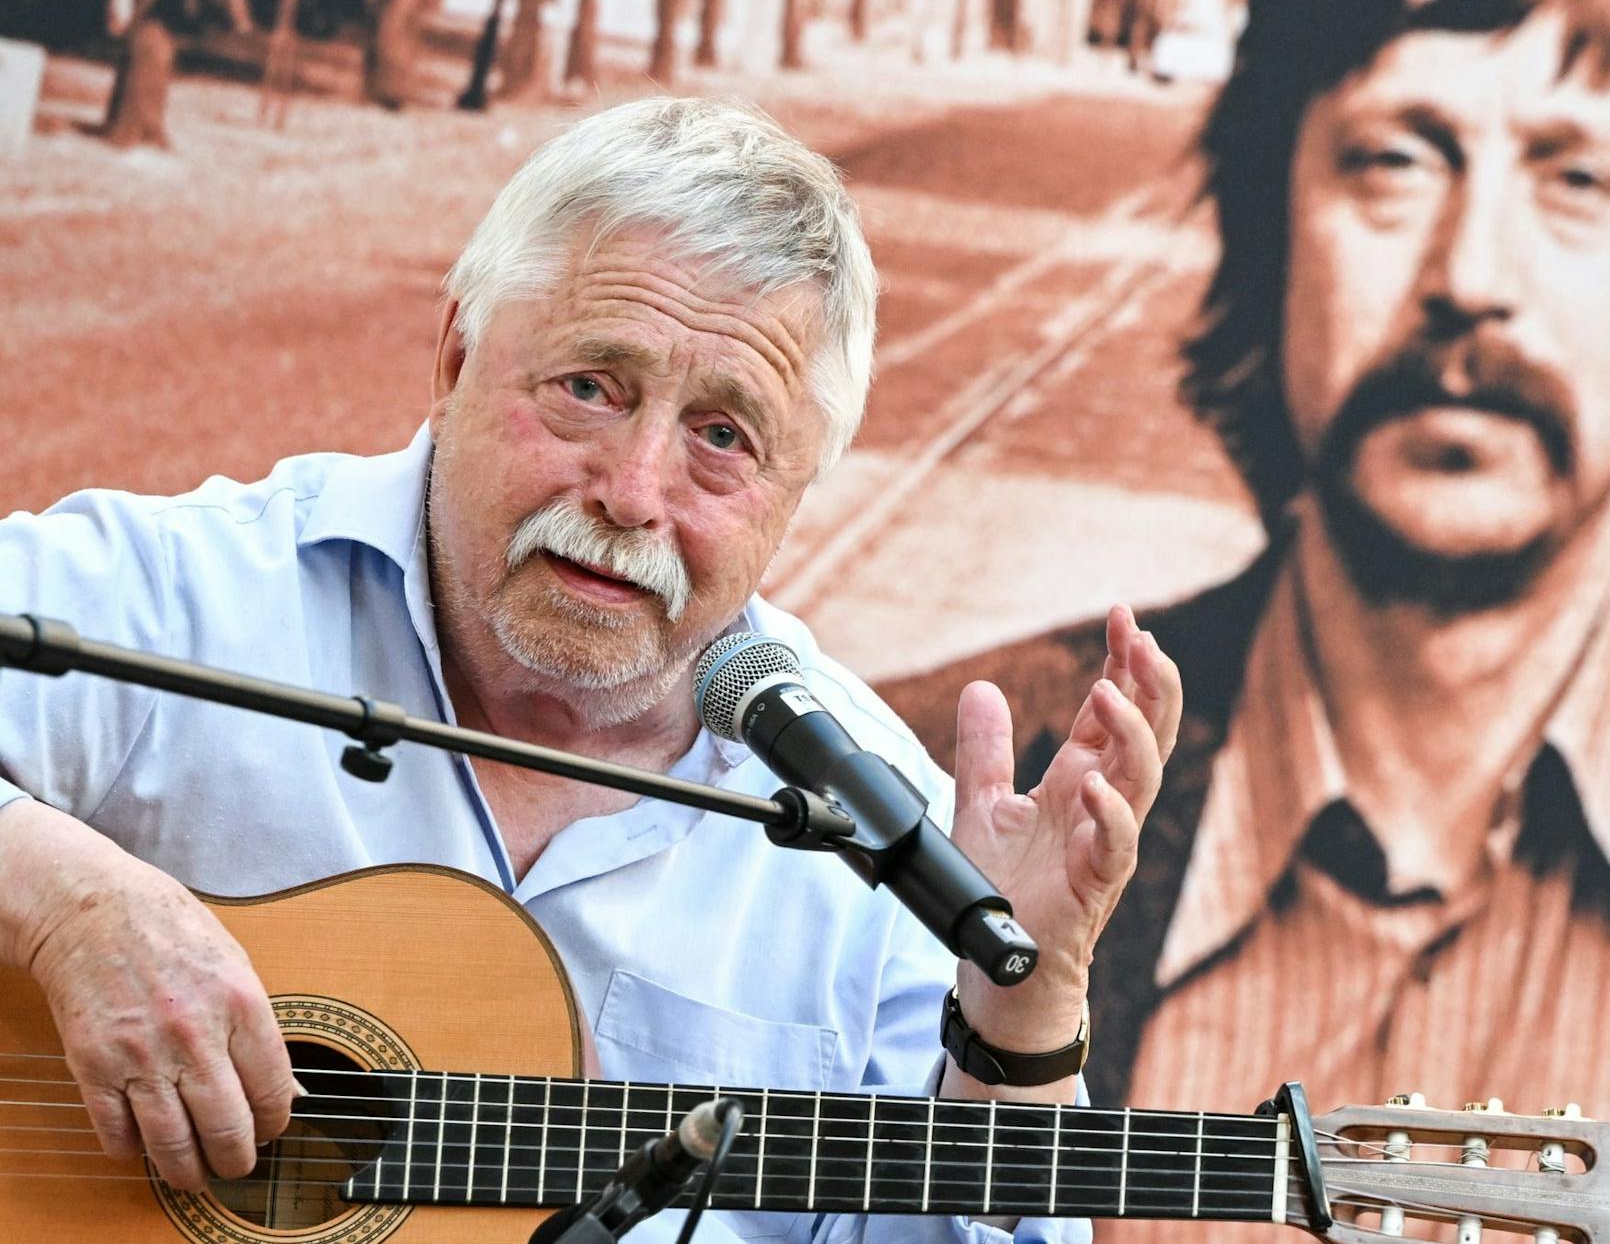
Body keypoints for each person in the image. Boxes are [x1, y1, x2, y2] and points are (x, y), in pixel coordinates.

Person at [0, 96, 1183, 1243]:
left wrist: (1017, 1027)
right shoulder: (187, 597)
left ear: (797, 489)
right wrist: (67, 902)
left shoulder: (889, 841)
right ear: (455, 357)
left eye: (723, 437)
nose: (633, 492)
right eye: (589, 388)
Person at [882, 0, 1610, 1241]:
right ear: (1274, 219)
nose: (1469, 277)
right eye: (1394, 162)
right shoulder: (910, 790)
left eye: (1576, 177)